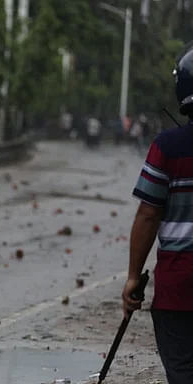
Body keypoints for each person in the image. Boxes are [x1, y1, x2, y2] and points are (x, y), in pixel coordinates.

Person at [123, 45, 193, 384]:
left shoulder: (167, 148)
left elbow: (148, 216)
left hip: (179, 288)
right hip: (177, 290)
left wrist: (133, 277)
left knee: (182, 371)